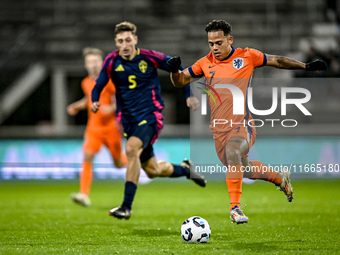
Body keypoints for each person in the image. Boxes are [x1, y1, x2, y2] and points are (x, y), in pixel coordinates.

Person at [167, 20, 327, 224]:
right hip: (219, 130)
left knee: (234, 152)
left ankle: (235, 209)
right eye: (211, 44)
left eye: (218, 42)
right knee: (244, 168)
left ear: (229, 40)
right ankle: (279, 178)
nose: (214, 48)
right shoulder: (204, 63)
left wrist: (306, 66)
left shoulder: (247, 56)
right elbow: (180, 80)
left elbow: (277, 60)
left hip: (243, 125)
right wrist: (173, 71)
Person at [91, 21, 205, 219]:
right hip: (128, 121)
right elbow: (98, 84)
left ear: (135, 40)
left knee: (131, 149)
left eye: (128, 40)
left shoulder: (150, 57)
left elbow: (179, 69)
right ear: (116, 42)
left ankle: (126, 206)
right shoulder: (111, 61)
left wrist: (188, 94)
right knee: (153, 170)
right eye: (120, 41)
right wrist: (94, 101)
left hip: (151, 116)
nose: (124, 44)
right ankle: (186, 170)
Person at [68, 47, 127, 207]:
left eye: (95, 61)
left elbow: (120, 99)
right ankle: (84, 194)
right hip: (93, 128)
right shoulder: (86, 82)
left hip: (111, 129)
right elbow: (89, 99)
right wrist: (77, 106)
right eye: (90, 62)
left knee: (118, 164)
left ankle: (137, 159)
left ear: (101, 63)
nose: (93, 65)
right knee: (87, 156)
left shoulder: (109, 80)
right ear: (86, 64)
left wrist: (112, 108)